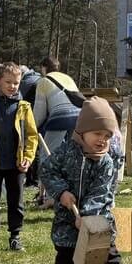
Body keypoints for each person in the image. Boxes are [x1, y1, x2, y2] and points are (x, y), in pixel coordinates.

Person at [41, 97, 124, 264]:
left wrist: (87, 217)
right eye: (97, 134)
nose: (102, 140)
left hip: (97, 222)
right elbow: (47, 171)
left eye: (107, 136)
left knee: (109, 261)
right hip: (67, 223)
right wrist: (61, 192)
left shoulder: (106, 162)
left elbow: (101, 192)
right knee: (66, 260)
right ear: (82, 132)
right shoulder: (65, 152)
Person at [0, 62, 39, 255]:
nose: (12, 86)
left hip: (16, 164)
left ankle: (15, 236)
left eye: (16, 83)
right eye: (8, 82)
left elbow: (31, 135)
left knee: (16, 201)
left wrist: (28, 157)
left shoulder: (24, 107)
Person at [32, 57, 82, 206]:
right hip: (79, 118)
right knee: (72, 157)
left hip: (61, 117)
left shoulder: (43, 81)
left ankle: (49, 197)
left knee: (47, 157)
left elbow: (39, 113)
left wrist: (30, 127)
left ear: (43, 67)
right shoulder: (68, 78)